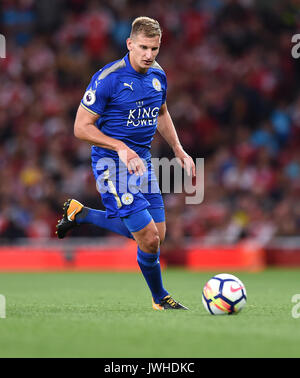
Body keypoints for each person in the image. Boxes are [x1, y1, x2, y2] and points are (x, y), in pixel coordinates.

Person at [56, 16, 195, 310]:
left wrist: (179, 149)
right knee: (147, 238)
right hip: (112, 162)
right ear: (129, 43)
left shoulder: (158, 74)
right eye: (143, 47)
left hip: (141, 160)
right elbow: (81, 128)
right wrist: (119, 147)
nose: (149, 55)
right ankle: (160, 299)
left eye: (155, 48)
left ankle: (81, 214)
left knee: (158, 235)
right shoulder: (108, 78)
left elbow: (161, 112)